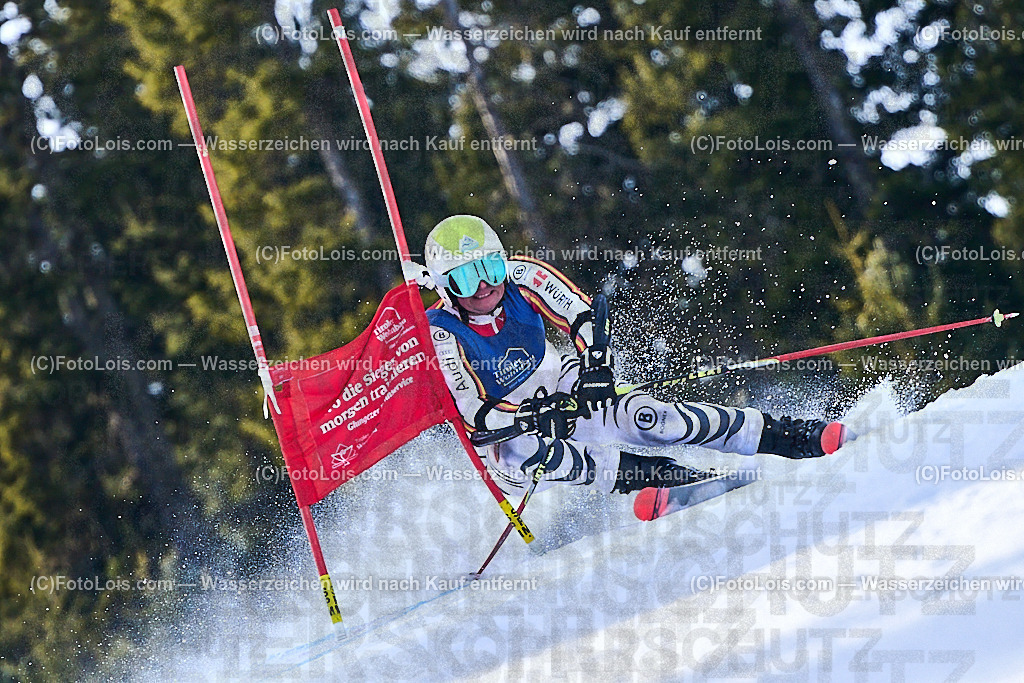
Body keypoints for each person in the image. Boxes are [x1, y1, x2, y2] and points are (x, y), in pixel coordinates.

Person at [420, 215, 849, 496]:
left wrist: (595, 364)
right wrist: (529, 416)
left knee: (646, 415)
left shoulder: (521, 275)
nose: (483, 286)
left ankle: (789, 435)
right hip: (505, 432)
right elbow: (476, 412)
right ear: (443, 288)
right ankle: (665, 479)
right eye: (464, 278)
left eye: (490, 268)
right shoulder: (440, 332)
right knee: (535, 451)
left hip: (555, 379)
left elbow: (581, 314)